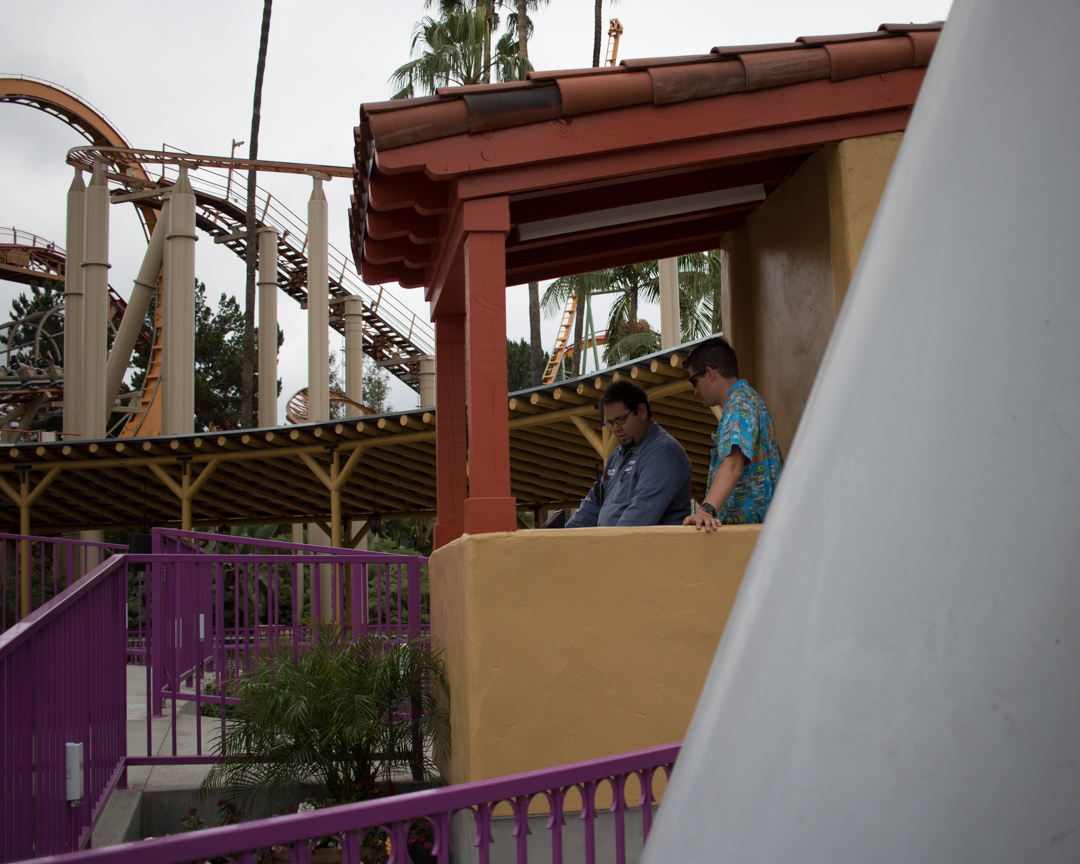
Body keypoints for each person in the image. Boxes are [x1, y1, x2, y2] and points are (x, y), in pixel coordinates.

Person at [683, 337, 782, 531]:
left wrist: (705, 511)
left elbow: (733, 464)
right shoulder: (747, 400)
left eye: (694, 381)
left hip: (754, 537)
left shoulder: (739, 403)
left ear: (709, 373)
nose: (695, 391)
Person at [565, 380, 692, 528]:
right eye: (610, 423)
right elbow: (592, 506)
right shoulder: (617, 455)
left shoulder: (663, 452)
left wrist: (606, 542)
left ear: (642, 411)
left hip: (641, 542)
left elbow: (638, 518)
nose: (616, 428)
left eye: (620, 419)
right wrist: (559, 537)